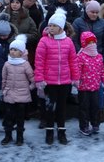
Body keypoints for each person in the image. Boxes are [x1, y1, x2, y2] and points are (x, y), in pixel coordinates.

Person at [34, 8, 80, 145]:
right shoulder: (44, 41)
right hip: (49, 81)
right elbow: (39, 61)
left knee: (61, 108)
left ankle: (61, 131)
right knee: (50, 108)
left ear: (61, 27)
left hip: (65, 81)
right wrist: (39, 79)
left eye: (54, 25)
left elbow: (73, 60)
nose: (51, 28)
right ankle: (49, 131)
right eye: (50, 25)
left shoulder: (68, 42)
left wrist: (75, 78)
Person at [1, 34, 35, 146]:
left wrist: (29, 88)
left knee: (20, 118)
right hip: (9, 95)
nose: (12, 52)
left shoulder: (25, 64)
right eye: (11, 49)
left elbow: (32, 78)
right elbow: (4, 79)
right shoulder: (7, 64)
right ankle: (8, 135)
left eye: (15, 50)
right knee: (8, 116)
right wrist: (4, 90)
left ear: (21, 52)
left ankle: (19, 137)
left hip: (22, 96)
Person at [77, 31, 104, 136]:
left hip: (95, 86)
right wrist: (76, 81)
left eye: (93, 42)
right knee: (84, 107)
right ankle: (84, 126)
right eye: (89, 42)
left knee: (95, 107)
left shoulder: (99, 56)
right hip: (83, 87)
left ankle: (95, 123)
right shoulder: (81, 56)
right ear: (84, 43)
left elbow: (102, 71)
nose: (92, 44)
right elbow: (77, 71)